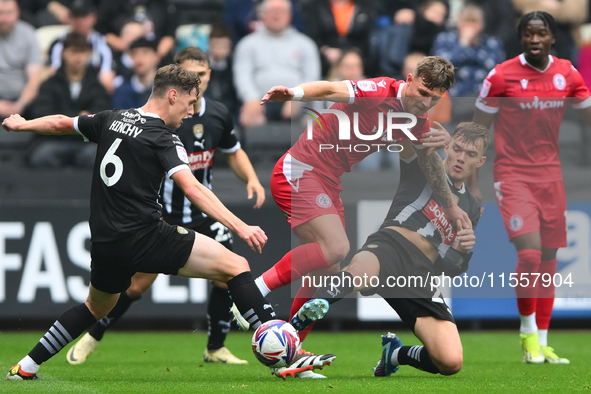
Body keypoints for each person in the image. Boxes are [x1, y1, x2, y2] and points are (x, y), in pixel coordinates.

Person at [3, 63, 333, 380]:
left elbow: (62, 123)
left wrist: (23, 124)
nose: (191, 112)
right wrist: (240, 225)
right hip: (146, 235)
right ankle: (287, 353)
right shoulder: (164, 138)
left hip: (106, 242)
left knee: (95, 307)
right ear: (172, 95)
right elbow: (193, 189)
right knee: (235, 266)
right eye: (190, 103)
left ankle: (26, 366)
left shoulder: (112, 118)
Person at [239, 56, 471, 356]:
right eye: (423, 93)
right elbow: (328, 90)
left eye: (434, 99)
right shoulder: (378, 91)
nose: (425, 102)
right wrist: (294, 93)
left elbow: (429, 163)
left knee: (326, 267)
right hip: (300, 169)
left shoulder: (416, 121)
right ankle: (253, 292)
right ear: (410, 78)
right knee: (336, 248)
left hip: (328, 180)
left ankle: (292, 347)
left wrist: (451, 206)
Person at [66, 46, 265, 366]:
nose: (195, 81)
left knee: (227, 271)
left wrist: (252, 179)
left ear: (208, 76)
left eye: (200, 75)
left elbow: (233, 150)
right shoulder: (165, 118)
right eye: (189, 75)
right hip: (162, 214)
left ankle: (216, 347)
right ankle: (95, 333)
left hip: (203, 213)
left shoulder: (217, 113)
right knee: (137, 285)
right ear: (175, 86)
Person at [305, 122, 487, 377]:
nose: (460, 158)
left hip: (420, 274)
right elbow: (400, 132)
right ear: (447, 146)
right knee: (358, 272)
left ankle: (395, 354)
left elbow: (450, 268)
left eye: (470, 154)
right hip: (390, 246)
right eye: (456, 148)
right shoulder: (424, 166)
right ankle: (304, 319)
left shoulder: (471, 206)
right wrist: (426, 138)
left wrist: (462, 249)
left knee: (450, 361)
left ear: (480, 162)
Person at [471, 11, 591, 364]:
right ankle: (526, 335)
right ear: (521, 38)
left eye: (541, 33)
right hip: (512, 174)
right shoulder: (501, 76)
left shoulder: (567, 73)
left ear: (553, 37)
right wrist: (473, 185)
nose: (534, 39)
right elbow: (477, 132)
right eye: (528, 33)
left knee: (550, 258)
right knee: (529, 253)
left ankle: (542, 339)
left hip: (550, 177)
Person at [27, 31, 111, 168]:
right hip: (53, 142)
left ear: (89, 54)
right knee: (42, 156)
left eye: (83, 52)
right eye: (73, 52)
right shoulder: (49, 85)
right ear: (63, 53)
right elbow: (41, 114)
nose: (78, 57)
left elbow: (102, 116)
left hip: (86, 144)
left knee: (97, 156)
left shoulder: (97, 87)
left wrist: (63, 119)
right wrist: (79, 118)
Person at [233, 0, 320, 128]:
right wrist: (251, 99)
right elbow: (242, 76)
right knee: (247, 118)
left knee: (315, 121)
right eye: (272, 11)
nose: (277, 15)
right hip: (260, 102)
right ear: (262, 15)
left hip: (297, 102)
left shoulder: (306, 44)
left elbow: (312, 78)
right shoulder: (247, 44)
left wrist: (298, 98)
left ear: (290, 15)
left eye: (281, 11)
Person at [48, 0, 115, 93]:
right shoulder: (58, 43)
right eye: (75, 16)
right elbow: (54, 72)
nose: (79, 21)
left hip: (93, 91)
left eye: (83, 16)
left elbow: (106, 76)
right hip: (63, 90)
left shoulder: (103, 43)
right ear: (69, 18)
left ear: (93, 18)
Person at [0, 0, 42, 119]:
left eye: (9, 13)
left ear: (17, 12)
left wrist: (20, 104)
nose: (4, 18)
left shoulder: (28, 34)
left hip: (23, 101)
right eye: (0, 13)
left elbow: (34, 79)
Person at [112, 38, 159, 110]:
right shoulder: (122, 91)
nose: (139, 58)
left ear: (156, 57)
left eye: (145, 52)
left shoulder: (166, 90)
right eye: (134, 54)